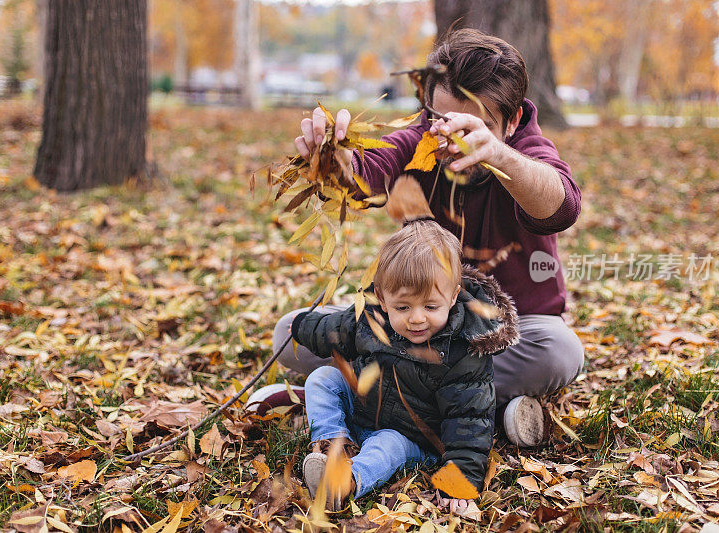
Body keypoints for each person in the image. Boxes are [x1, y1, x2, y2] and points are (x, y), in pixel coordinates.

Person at [250, 29, 584, 448]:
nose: (446, 139)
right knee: (289, 335)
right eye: (439, 119)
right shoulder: (421, 137)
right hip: (414, 327)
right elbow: (370, 168)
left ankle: (371, 401)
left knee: (560, 351)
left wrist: (496, 154)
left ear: (513, 120)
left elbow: (562, 206)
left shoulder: (528, 150)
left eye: (472, 128)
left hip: (501, 334)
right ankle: (479, 411)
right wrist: (335, 160)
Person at [291, 208, 518, 511]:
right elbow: (335, 331)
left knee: (388, 445)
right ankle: (333, 445)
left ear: (453, 297)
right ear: (383, 300)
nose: (417, 319)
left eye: (430, 306)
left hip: (412, 438)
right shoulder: (371, 317)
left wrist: (459, 481)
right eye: (402, 308)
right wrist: (302, 326)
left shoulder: (462, 352)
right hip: (363, 410)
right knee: (322, 379)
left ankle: (345, 482)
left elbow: (468, 423)